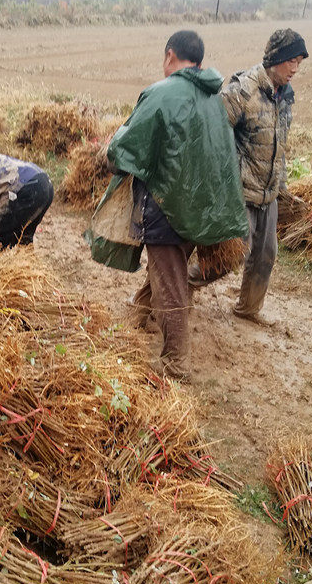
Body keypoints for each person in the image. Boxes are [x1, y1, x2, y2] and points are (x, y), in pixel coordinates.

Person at [101, 30, 248, 379]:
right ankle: (138, 313)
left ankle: (175, 363)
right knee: (170, 267)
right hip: (201, 211)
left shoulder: (161, 93)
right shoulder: (214, 98)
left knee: (170, 284)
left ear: (170, 56)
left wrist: (110, 155)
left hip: (167, 208)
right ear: (198, 61)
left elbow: (124, 150)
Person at [188, 28, 309, 325]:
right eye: (290, 61)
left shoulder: (284, 96)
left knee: (266, 254)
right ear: (275, 59)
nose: (295, 69)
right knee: (227, 258)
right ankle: (182, 287)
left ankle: (248, 309)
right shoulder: (243, 91)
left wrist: (280, 188)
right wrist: (222, 180)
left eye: (299, 62)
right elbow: (212, 131)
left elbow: (277, 145)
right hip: (239, 193)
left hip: (267, 193)